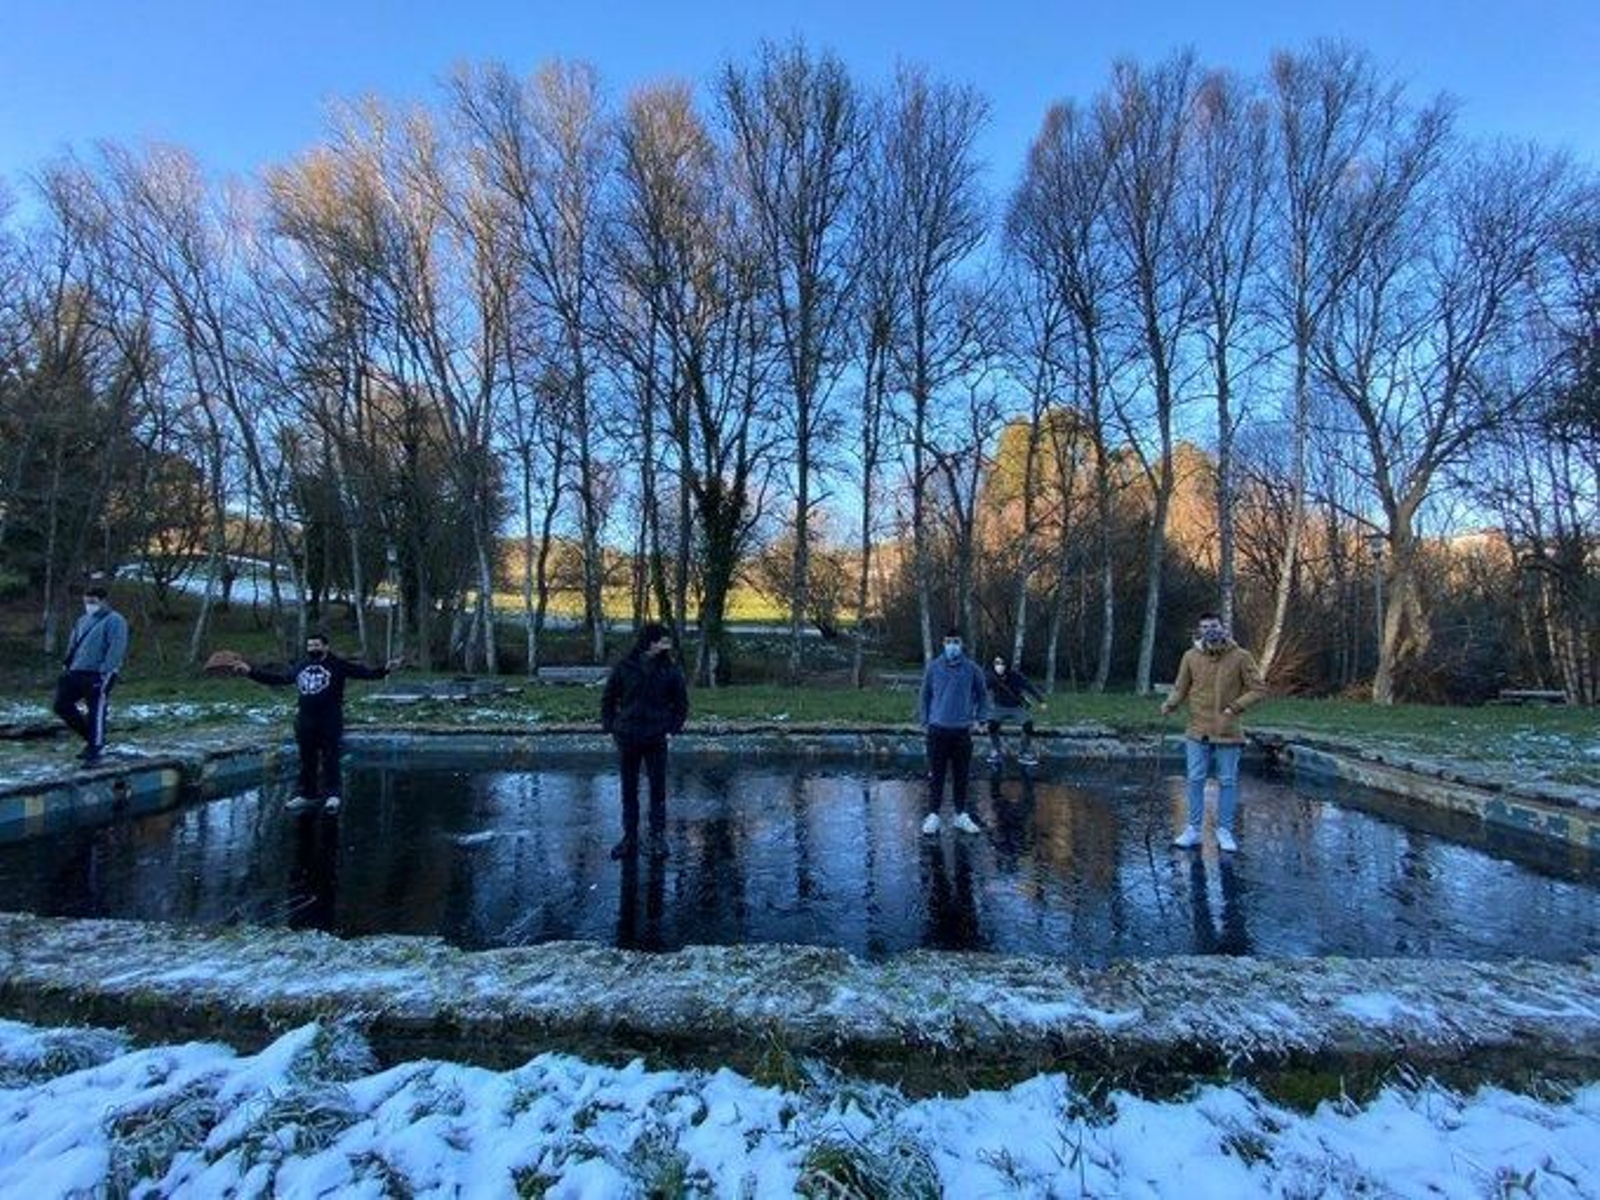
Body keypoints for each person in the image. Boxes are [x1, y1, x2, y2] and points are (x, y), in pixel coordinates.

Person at [233, 632, 401, 812]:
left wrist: (386, 669)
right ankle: (308, 794)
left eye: (316, 645)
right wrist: (250, 672)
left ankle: (333, 795)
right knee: (307, 759)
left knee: (330, 757)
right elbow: (280, 679)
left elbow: (366, 674)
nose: (313, 649)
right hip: (305, 719)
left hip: (330, 718)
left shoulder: (338, 665)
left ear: (326, 647)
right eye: (310, 646)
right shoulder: (302, 665)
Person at [1160, 613, 1268, 853]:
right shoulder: (1190, 656)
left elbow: (1259, 689)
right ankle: (1193, 830)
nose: (1211, 630)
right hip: (1197, 729)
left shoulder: (1241, 656)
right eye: (1206, 627)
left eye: (1214, 626)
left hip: (1228, 729)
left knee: (1227, 781)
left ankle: (1225, 831)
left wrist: (1235, 707)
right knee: (1195, 779)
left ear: (1223, 628)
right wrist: (1170, 703)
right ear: (1200, 631)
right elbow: (1181, 687)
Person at [600, 622, 689, 861]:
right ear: (651, 641)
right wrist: (611, 728)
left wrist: (672, 730)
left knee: (657, 790)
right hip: (627, 736)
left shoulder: (670, 671)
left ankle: (658, 837)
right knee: (629, 790)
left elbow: (681, 706)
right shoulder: (624, 667)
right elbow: (608, 700)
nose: (667, 644)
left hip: (656, 737)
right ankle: (629, 837)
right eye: (663, 640)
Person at [918, 628, 989, 836]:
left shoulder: (972, 669)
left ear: (962, 644)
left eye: (956, 642)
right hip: (937, 730)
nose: (952, 646)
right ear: (943, 643)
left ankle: (960, 815)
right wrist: (924, 720)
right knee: (936, 775)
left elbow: (983, 695)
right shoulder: (934, 668)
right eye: (949, 641)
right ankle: (933, 815)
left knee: (961, 775)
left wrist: (981, 718)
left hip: (961, 732)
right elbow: (924, 695)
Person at [53, 579, 130, 764]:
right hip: (76, 671)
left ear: (103, 601)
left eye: (93, 601)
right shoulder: (82, 620)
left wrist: (105, 670)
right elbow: (74, 644)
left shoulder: (115, 620)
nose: (89, 605)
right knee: (61, 705)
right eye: (87, 602)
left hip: (98, 673)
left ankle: (95, 747)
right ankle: (92, 737)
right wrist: (68, 664)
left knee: (96, 709)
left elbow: (116, 647)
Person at [984, 655, 1046, 766]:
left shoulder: (1015, 676)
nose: (999, 666)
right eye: (997, 663)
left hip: (1016, 707)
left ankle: (1023, 752)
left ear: (1006, 665)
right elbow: (982, 689)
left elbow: (1029, 686)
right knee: (991, 725)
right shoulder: (991, 677)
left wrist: (1041, 701)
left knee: (1028, 725)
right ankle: (996, 750)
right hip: (999, 706)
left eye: (1002, 664)